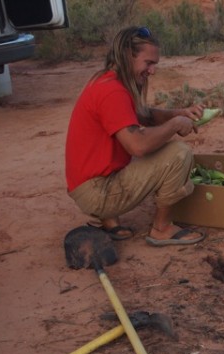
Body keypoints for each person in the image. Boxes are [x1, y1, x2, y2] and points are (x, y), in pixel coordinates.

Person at [65, 26, 206, 246]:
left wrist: (179, 113)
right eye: (148, 63)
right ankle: (161, 228)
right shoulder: (112, 92)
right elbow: (138, 146)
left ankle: (109, 219)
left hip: (87, 184)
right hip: (96, 191)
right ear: (127, 56)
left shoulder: (107, 81)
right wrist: (175, 124)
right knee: (178, 153)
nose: (152, 71)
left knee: (142, 146)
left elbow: (144, 115)